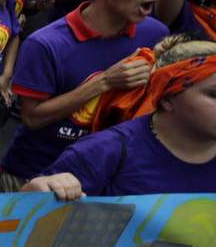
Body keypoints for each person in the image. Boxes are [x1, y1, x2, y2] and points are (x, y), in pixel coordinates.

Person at [0, 0, 171, 189]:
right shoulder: (46, 44)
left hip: (111, 178)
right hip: (38, 178)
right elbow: (33, 118)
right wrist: (104, 82)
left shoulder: (156, 34)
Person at [24, 37, 216, 197]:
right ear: (167, 98)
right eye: (213, 94)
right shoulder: (103, 152)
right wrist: (40, 189)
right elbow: (24, 217)